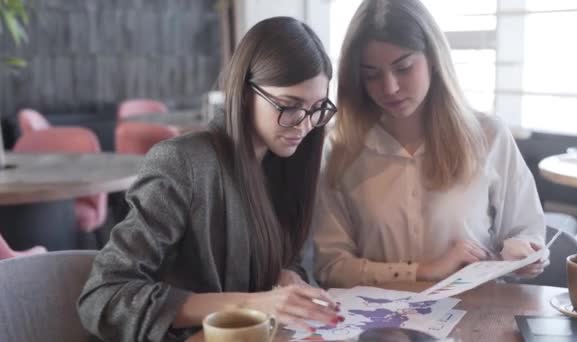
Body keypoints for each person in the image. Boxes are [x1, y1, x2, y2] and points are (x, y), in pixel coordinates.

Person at [78, 17, 342, 342]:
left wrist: (284, 277)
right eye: (289, 106)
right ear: (245, 93)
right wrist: (251, 303)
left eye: (317, 108)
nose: (303, 125)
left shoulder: (287, 167)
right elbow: (104, 296)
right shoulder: (182, 163)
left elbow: (292, 262)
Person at [313, 0, 547, 289]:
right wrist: (425, 270)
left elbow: (526, 231)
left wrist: (525, 251)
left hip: (474, 314)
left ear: (433, 58)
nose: (390, 88)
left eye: (404, 68)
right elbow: (331, 267)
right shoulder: (340, 148)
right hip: (382, 325)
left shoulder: (488, 136)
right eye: (371, 75)